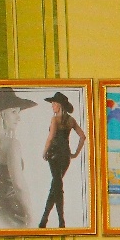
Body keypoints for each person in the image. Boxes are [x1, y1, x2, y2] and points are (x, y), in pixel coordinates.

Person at [0, 87, 36, 229]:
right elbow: (19, 186)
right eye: (13, 112)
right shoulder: (11, 145)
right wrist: (31, 217)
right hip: (13, 213)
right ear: (1, 115)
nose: (18, 117)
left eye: (18, 112)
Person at [37, 91, 85, 228]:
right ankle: (50, 220)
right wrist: (75, 153)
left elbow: (51, 137)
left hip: (54, 155)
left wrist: (44, 151)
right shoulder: (71, 120)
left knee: (56, 187)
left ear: (59, 105)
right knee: (56, 186)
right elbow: (82, 136)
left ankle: (55, 220)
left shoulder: (55, 120)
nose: (52, 106)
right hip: (65, 156)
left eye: (53, 104)